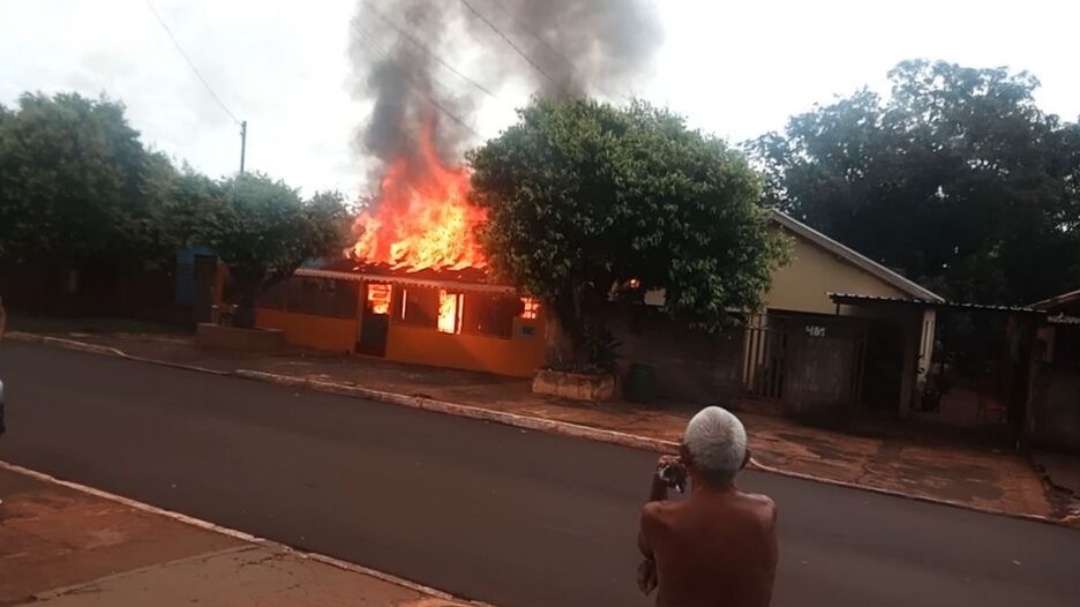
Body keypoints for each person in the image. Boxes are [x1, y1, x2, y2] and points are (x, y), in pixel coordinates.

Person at [637, 406, 778, 607]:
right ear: (745, 460)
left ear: (684, 454)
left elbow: (649, 546)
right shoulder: (765, 512)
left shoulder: (659, 518)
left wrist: (660, 480)